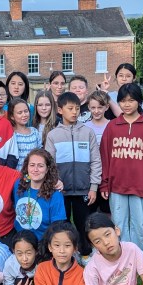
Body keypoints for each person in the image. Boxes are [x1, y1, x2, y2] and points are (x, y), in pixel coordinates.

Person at [99, 83, 143, 254]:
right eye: (123, 101)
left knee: (140, 224)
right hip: (117, 186)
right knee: (118, 224)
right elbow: (104, 157)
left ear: (139, 101)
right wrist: (104, 183)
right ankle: (122, 256)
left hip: (142, 186)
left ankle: (140, 257)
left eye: (131, 100)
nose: (127, 104)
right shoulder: (112, 126)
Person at [45, 91, 101, 259]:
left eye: (77, 108)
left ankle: (86, 254)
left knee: (84, 223)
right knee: (62, 225)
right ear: (60, 110)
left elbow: (96, 161)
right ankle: (66, 255)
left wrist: (93, 187)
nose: (74, 112)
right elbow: (49, 164)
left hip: (84, 190)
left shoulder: (88, 132)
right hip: (61, 191)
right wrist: (55, 183)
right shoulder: (53, 135)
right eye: (70, 108)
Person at [12, 148, 66, 241]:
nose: (35, 169)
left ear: (47, 169)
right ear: (27, 167)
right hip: (20, 240)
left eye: (40, 166)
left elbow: (57, 227)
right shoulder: (19, 185)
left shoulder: (55, 194)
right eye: (32, 165)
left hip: (42, 242)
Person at [8, 97, 41, 168]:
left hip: (33, 172)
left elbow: (40, 152)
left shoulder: (34, 132)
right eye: (20, 113)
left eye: (26, 111)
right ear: (12, 116)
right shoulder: (10, 134)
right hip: (17, 173)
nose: (24, 115)